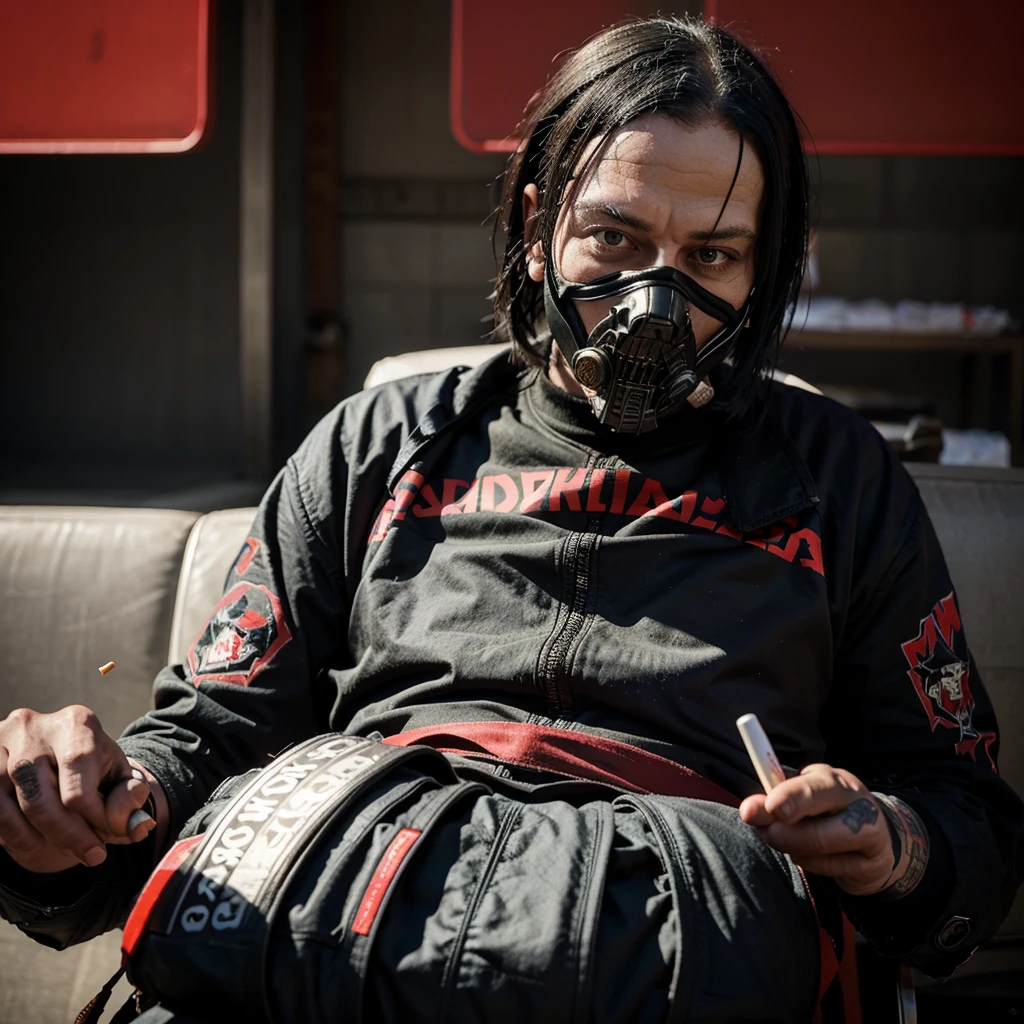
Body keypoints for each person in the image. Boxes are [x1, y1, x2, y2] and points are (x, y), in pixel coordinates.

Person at [1, 16, 1020, 1023]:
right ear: (538, 230)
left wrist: (892, 845)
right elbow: (212, 736)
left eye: (709, 256)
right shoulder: (379, 442)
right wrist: (79, 809)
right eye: (614, 236)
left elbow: (966, 819)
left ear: (759, 275)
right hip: (343, 929)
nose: (652, 302)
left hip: (659, 952)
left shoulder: (838, 479)